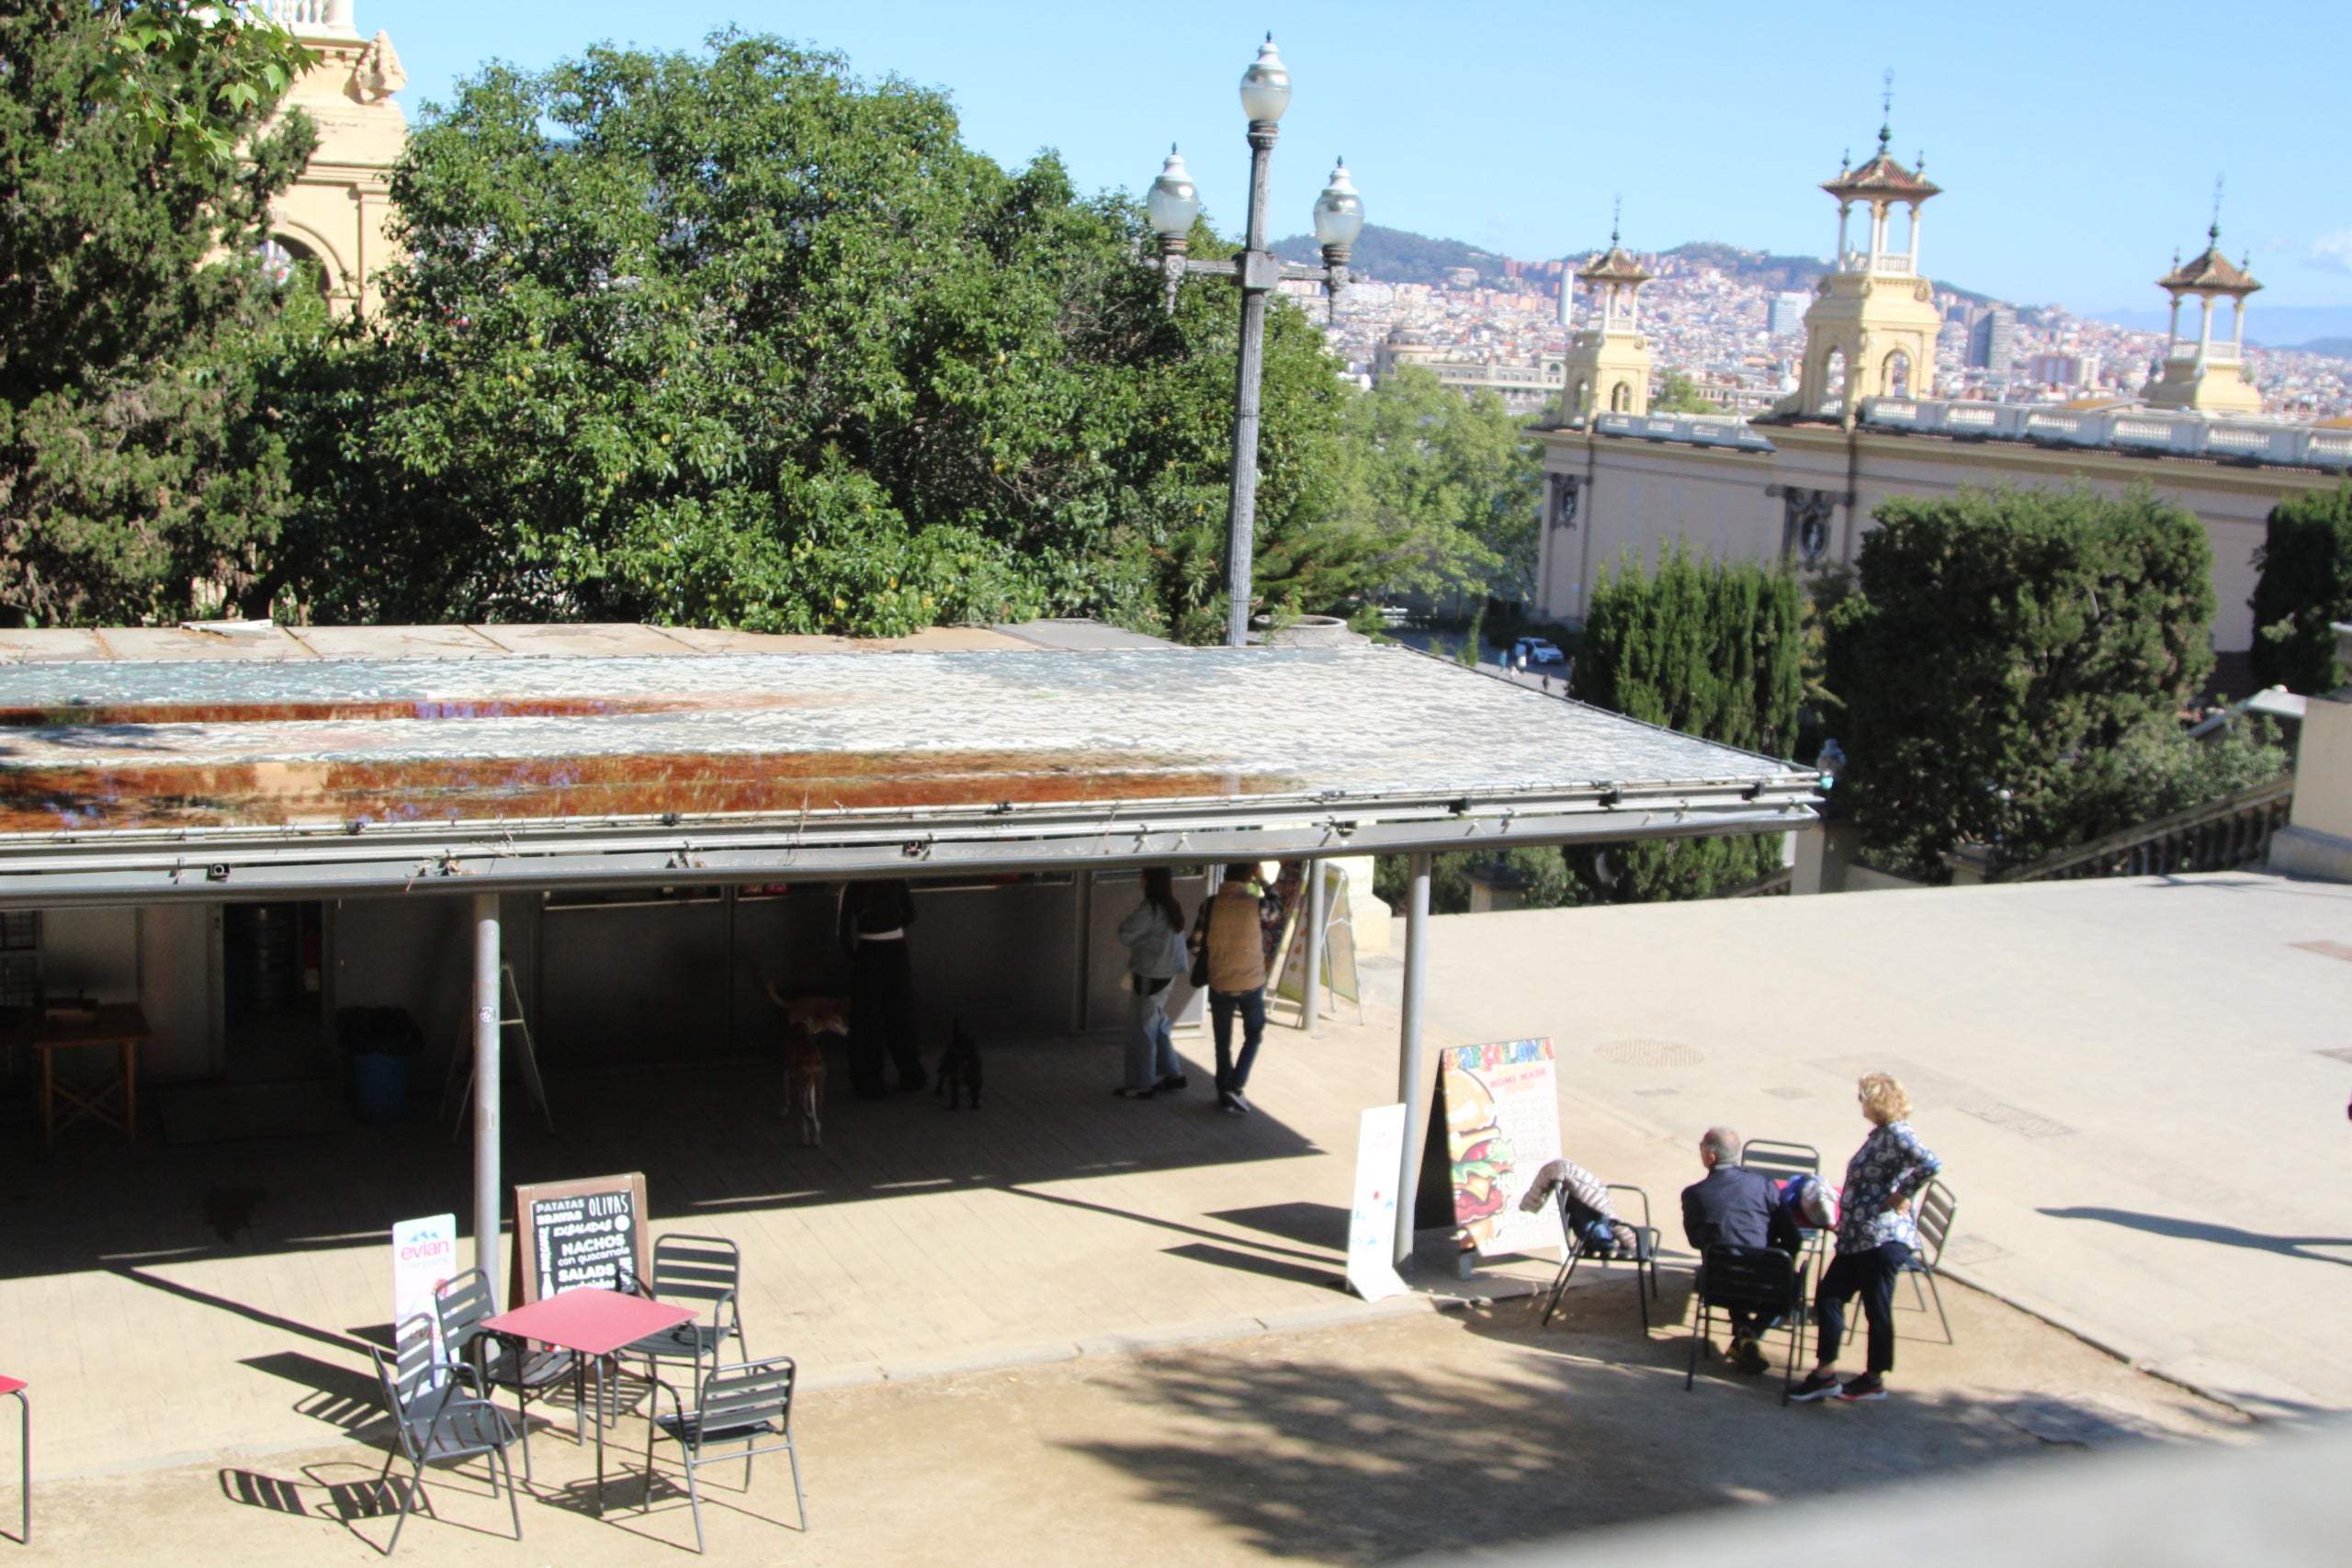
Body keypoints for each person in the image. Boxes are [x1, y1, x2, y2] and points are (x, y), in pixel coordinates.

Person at [1791, 1074, 1942, 1403]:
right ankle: (1826, 1374)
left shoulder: (1897, 1135)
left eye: (1862, 1097)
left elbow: (1930, 1164)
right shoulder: (1884, 1135)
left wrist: (1904, 1193)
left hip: (1881, 1238)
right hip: (1859, 1235)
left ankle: (1873, 1379)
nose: (1859, 1103)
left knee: (1875, 1307)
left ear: (1876, 1103)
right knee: (1830, 1296)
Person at [1679, 1126, 1798, 1375]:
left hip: (1717, 1285)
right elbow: (1792, 1238)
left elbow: (1695, 1241)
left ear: (1711, 1157)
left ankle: (1744, 1333)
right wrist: (1776, 1261)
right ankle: (1750, 1334)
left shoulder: (1694, 1194)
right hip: (1767, 1286)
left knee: (1728, 1264)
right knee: (1785, 1280)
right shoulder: (1763, 1185)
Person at [837, 879, 922, 1100]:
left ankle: (871, 1085)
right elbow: (911, 914)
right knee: (901, 1014)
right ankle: (911, 1075)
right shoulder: (897, 879)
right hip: (897, 949)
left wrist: (855, 957)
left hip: (869, 950)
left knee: (867, 1020)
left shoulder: (853, 886)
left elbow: (842, 931)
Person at [1197, 863, 1271, 1115]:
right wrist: (1264, 881)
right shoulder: (1255, 904)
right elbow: (1276, 910)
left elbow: (1196, 944)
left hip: (1220, 981)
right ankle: (1236, 1086)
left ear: (1225, 875)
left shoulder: (1209, 905)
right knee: (1254, 1034)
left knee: (1222, 1041)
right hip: (1251, 982)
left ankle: (1223, 1091)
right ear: (1250, 876)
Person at [1114, 868, 1189, 1099]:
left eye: (1143, 875)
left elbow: (1126, 933)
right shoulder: (1172, 906)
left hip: (1150, 973)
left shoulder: (1150, 908)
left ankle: (1141, 1083)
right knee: (1156, 1021)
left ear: (1149, 881)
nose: (1140, 879)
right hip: (1168, 973)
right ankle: (1172, 1073)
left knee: (1141, 1027)